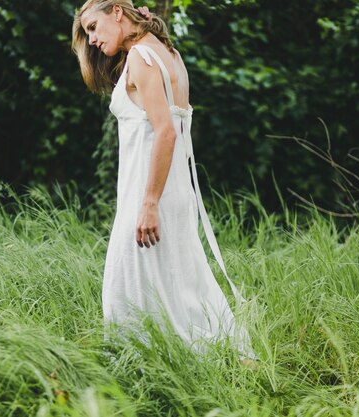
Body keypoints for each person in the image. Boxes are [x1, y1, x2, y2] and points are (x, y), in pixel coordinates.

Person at [72, 1, 256, 364]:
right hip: (171, 191)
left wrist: (149, 203)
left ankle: (140, 370)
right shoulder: (168, 53)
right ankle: (223, 360)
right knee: (181, 283)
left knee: (124, 287)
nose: (91, 39)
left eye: (93, 27)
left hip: (151, 193)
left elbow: (167, 133)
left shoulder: (141, 57)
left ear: (118, 13)